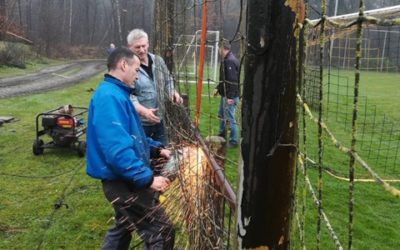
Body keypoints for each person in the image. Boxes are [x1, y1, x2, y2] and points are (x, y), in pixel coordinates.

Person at [86, 47, 175, 250]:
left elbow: (132, 137)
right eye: (136, 70)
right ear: (123, 65)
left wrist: (157, 149)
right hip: (123, 181)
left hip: (123, 178)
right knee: (161, 230)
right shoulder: (109, 98)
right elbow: (117, 151)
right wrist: (149, 179)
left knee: (124, 226)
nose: (138, 75)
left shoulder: (118, 93)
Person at [127, 29, 183, 145]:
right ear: (130, 47)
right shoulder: (128, 68)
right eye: (137, 47)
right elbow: (129, 95)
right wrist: (144, 112)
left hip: (160, 121)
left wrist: (173, 92)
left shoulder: (158, 61)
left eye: (144, 46)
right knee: (144, 156)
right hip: (140, 124)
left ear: (148, 44)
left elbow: (168, 80)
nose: (142, 50)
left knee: (164, 153)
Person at [214, 40, 240, 148]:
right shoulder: (227, 59)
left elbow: (232, 81)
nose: (219, 51)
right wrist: (217, 88)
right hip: (225, 94)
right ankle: (222, 135)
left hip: (230, 96)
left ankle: (234, 141)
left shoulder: (229, 61)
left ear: (224, 48)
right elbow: (224, 79)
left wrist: (230, 97)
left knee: (230, 117)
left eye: (220, 48)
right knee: (222, 114)